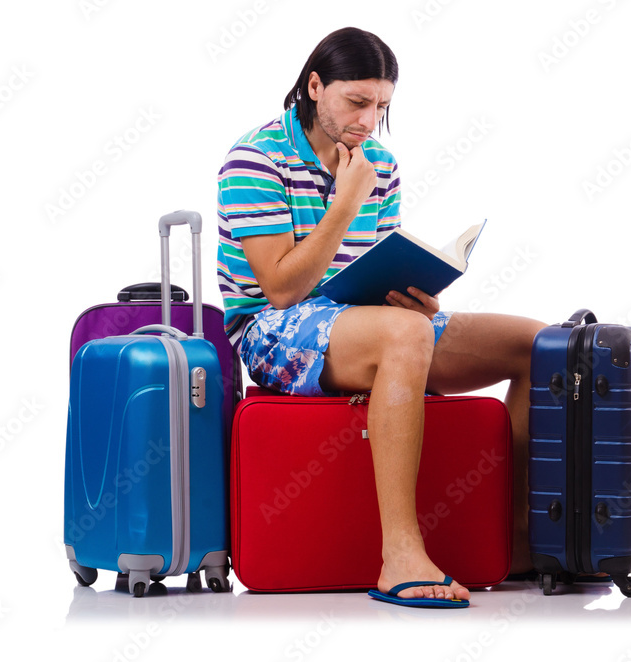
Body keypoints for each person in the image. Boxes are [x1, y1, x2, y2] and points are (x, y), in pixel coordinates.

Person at [216, 27, 545, 608]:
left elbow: (374, 265)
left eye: (381, 106)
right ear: (314, 87)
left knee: (537, 344)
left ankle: (517, 541)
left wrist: (416, 296)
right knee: (403, 334)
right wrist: (346, 202)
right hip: (270, 333)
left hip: (364, 319)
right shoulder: (254, 159)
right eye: (357, 102)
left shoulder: (380, 166)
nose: (369, 121)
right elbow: (282, 288)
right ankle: (400, 554)